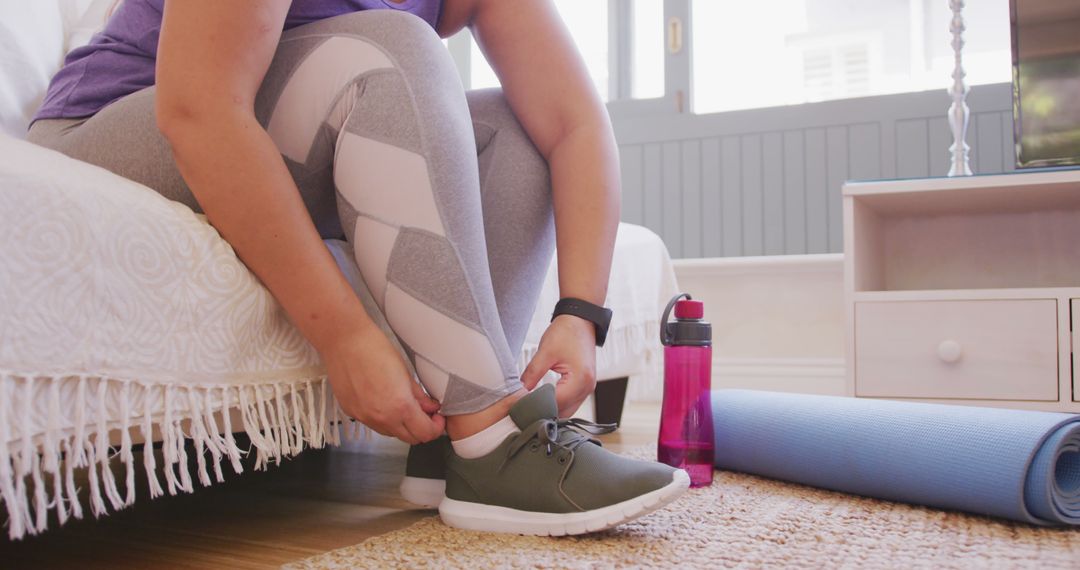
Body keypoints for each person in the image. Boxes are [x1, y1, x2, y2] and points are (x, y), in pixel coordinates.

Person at [28, 0, 689, 535]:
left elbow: (573, 122)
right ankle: (493, 438)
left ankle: (461, 429)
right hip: (124, 124)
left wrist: (579, 314)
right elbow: (198, 110)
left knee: (514, 129)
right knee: (393, 52)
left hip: (292, 133)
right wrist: (342, 334)